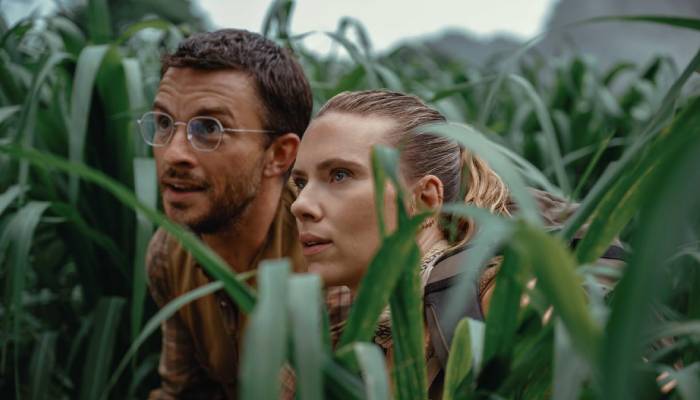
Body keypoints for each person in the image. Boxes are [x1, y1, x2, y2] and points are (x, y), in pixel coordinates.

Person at [290, 90, 624, 397]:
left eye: (340, 175)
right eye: (301, 182)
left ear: (425, 200)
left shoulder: (506, 304)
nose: (300, 204)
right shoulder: (342, 336)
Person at [142, 29, 313, 399]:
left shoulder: (325, 257)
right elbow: (183, 391)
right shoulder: (169, 253)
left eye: (209, 128)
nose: (173, 154)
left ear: (279, 154)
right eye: (164, 123)